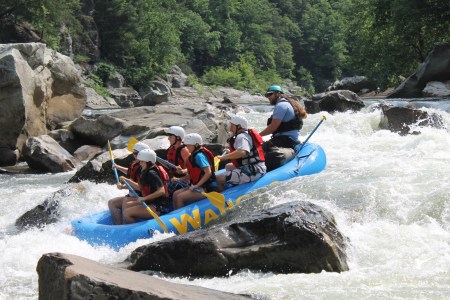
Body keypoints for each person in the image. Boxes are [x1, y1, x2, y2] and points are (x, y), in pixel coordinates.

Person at [259, 85, 308, 171]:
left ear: (278, 94)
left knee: (254, 151)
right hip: (289, 140)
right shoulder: (288, 104)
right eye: (267, 95)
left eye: (270, 94)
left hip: (284, 141)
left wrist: (256, 136)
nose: (268, 97)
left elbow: (272, 128)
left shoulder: (281, 106)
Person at [215, 115, 266, 191]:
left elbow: (242, 152)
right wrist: (230, 152)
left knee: (217, 178)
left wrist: (225, 157)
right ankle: (234, 180)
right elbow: (246, 150)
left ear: (238, 126)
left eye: (232, 126)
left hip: (253, 171)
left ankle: (224, 196)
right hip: (257, 166)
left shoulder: (241, 137)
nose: (230, 129)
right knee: (228, 166)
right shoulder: (245, 134)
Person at [121, 149, 171, 224]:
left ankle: (133, 230)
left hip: (158, 206)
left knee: (127, 213)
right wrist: (127, 180)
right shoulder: (145, 171)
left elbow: (162, 191)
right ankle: (125, 225)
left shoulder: (152, 173)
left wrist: (144, 198)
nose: (140, 163)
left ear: (149, 162)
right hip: (150, 202)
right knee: (126, 204)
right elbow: (140, 188)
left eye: (142, 161)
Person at [107, 141, 149, 225]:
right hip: (133, 195)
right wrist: (118, 167)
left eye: (136, 153)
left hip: (142, 196)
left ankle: (126, 226)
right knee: (111, 203)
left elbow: (139, 187)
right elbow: (130, 172)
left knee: (125, 202)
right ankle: (119, 225)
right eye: (133, 153)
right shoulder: (136, 164)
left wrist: (123, 186)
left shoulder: (144, 167)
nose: (134, 155)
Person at [172, 133, 217, 209]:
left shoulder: (199, 156)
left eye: (189, 145)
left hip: (205, 188)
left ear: (196, 145)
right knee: (175, 194)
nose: (187, 147)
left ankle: (181, 218)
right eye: (186, 145)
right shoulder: (193, 155)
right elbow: (194, 174)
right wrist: (180, 179)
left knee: (179, 197)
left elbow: (208, 172)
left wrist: (197, 185)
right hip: (198, 186)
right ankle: (174, 215)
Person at [162, 126, 191, 196]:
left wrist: (183, 171)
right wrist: (155, 158)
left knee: (165, 193)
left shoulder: (184, 151)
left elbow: (192, 168)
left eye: (170, 136)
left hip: (185, 180)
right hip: (174, 178)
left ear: (178, 138)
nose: (168, 138)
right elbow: (170, 165)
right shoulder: (171, 148)